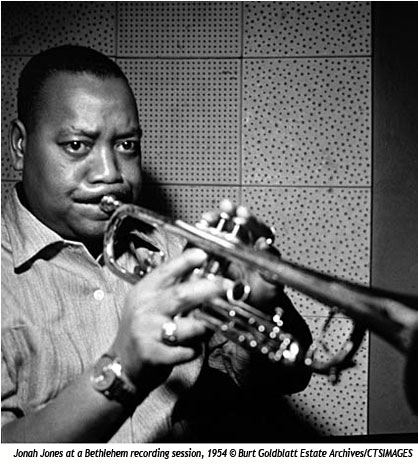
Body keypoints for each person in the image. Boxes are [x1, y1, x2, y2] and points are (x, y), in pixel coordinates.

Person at [1, 45, 313, 443]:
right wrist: (123, 369)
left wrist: (262, 303)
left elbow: (291, 374)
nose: (110, 174)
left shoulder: (174, 252)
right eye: (77, 145)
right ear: (19, 146)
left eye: (126, 145)